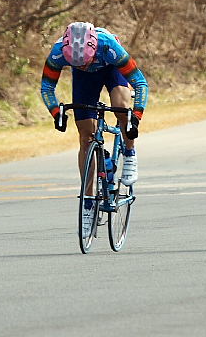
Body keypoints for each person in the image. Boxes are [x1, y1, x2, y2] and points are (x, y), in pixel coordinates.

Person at [41, 21, 148, 237]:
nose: (81, 66)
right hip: (85, 82)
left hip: (112, 71)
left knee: (121, 106)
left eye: (84, 62)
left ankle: (129, 153)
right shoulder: (57, 52)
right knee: (85, 137)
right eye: (75, 64)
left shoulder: (109, 46)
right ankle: (88, 202)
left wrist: (135, 117)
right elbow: (47, 87)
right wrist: (56, 113)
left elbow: (140, 83)